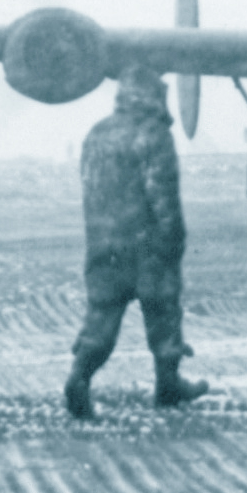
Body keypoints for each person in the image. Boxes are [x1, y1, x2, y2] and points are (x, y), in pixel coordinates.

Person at [68, 69, 206, 419]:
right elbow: (162, 196)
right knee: (163, 316)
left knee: (101, 316)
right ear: (152, 95)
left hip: (104, 244)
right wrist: (174, 240)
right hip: (148, 247)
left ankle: (79, 378)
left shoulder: (96, 133)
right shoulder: (154, 134)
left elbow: (91, 191)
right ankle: (168, 386)